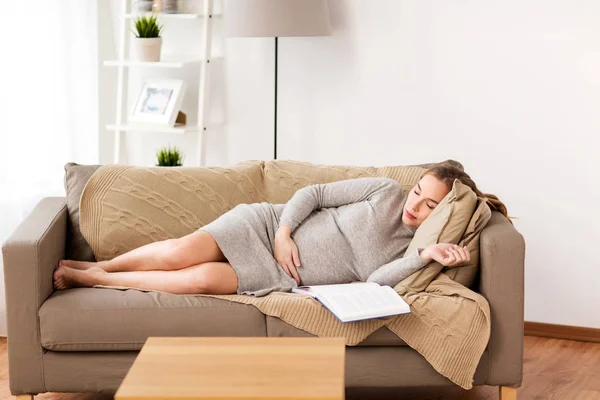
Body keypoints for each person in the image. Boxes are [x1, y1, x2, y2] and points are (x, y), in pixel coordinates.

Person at [53, 163, 509, 296]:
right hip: (267, 227)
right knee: (176, 254)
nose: (416, 206)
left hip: (281, 277)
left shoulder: (414, 248)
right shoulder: (386, 191)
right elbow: (314, 194)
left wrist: (424, 257)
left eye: (430, 205)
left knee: (195, 281)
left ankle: (96, 279)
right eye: (418, 193)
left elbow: (374, 282)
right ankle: (101, 266)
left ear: (442, 211)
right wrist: (283, 233)